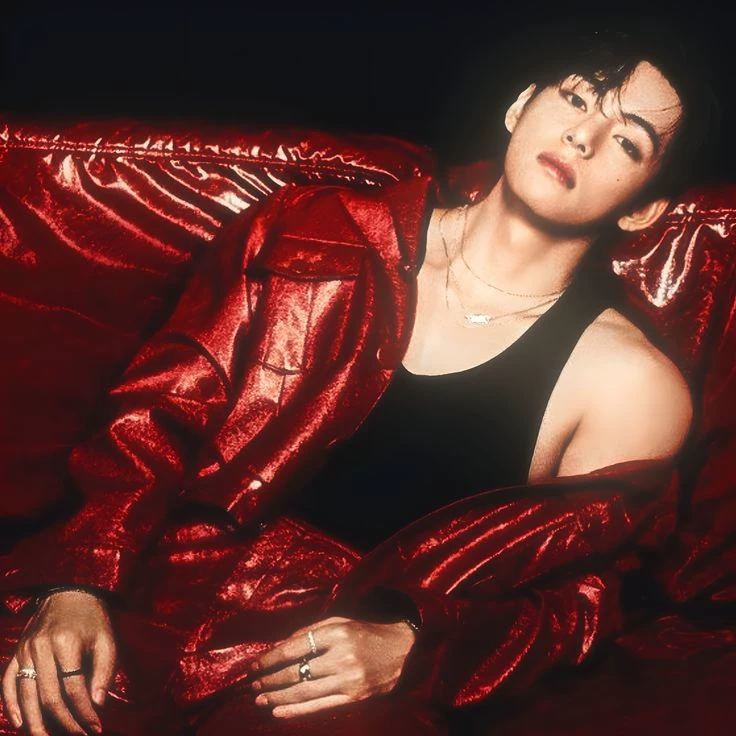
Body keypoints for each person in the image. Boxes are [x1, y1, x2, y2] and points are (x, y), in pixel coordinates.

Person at [0, 25, 720, 736]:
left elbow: (581, 600)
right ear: (519, 106)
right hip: (151, 587)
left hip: (329, 679)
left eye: (627, 141)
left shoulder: (629, 385)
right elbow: (159, 411)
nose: (582, 137)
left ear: (644, 207)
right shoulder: (317, 230)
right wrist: (77, 583)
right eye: (576, 99)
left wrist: (416, 643)